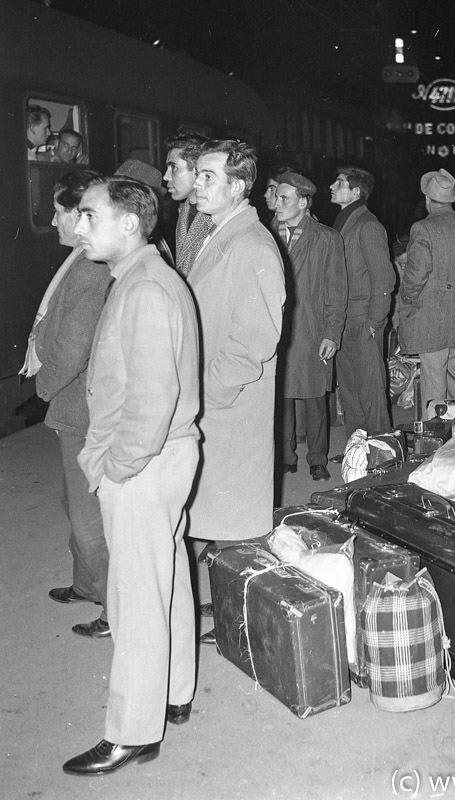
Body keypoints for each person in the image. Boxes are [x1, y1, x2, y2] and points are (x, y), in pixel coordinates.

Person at [63, 176, 201, 775]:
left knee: (135, 599)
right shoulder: (147, 277)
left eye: (89, 215)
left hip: (144, 463)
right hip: (166, 458)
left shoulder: (144, 287)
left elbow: (152, 397)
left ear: (128, 224)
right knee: (164, 577)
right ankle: (173, 693)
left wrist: (116, 468)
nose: (78, 226)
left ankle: (131, 729)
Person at [186, 141, 285, 646]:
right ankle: (227, 616)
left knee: (237, 527)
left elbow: (254, 341)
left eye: (207, 177)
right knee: (214, 517)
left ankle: (254, 628)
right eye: (199, 175)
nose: (196, 185)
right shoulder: (220, 233)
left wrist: (204, 398)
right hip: (216, 404)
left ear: (238, 186)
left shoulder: (252, 244)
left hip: (227, 406)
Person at [19, 170, 112, 639]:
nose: (53, 219)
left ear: (81, 217)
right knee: (72, 501)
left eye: (59, 211)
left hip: (81, 407)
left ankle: (117, 610)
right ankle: (85, 585)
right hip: (73, 406)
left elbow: (74, 348)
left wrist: (41, 389)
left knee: (87, 514)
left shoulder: (90, 268)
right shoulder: (81, 259)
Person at [398, 168, 455, 414]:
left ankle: (434, 442)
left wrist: (406, 302)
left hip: (431, 318)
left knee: (434, 386)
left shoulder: (422, 228)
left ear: (428, 199)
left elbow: (416, 276)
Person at [275, 171, 346, 480]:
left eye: (284, 198)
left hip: (312, 328)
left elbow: (336, 290)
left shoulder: (327, 238)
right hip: (277, 329)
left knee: (315, 396)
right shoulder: (267, 234)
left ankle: (316, 458)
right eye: (277, 197)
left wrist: (332, 332)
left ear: (303, 203)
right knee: (282, 395)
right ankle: (286, 455)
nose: (276, 204)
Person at [330, 166, 394, 437]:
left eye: (340, 182)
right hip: (346, 318)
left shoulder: (367, 225)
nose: (332, 186)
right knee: (350, 391)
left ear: (356, 192)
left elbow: (384, 279)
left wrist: (374, 322)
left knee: (371, 392)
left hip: (363, 320)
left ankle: (383, 451)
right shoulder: (345, 220)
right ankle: (357, 449)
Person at [163, 131, 212, 277]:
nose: (166, 176)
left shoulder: (215, 217)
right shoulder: (185, 209)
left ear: (197, 171)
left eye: (174, 168)